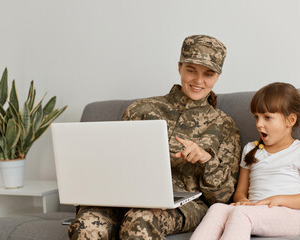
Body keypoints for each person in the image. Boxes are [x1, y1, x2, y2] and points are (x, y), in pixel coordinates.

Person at [68, 35, 241, 240]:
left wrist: (207, 161)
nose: (199, 80)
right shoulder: (141, 109)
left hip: (186, 205)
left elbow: (223, 197)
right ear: (179, 68)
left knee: (140, 220)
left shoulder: (224, 125)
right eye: (191, 70)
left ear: (217, 76)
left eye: (208, 74)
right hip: (127, 196)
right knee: (86, 224)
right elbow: (114, 162)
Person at [190, 82, 300, 240]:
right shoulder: (250, 149)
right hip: (253, 211)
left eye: (267, 117)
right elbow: (240, 192)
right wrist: (243, 201)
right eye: (256, 117)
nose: (258, 124)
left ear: (290, 120)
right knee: (216, 209)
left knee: (241, 213)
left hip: (288, 216)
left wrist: (278, 200)